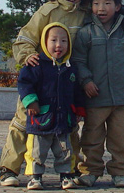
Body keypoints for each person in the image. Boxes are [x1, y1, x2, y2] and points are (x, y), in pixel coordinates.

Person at [0, 0, 93, 187]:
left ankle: (72, 170)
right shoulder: (47, 11)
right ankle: (8, 169)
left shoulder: (85, 14)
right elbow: (25, 37)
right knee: (23, 124)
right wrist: (27, 55)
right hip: (41, 79)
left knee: (69, 128)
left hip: (66, 80)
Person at [72, 0, 124, 188]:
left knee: (122, 139)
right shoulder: (86, 32)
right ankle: (89, 171)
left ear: (117, 6)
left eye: (106, 3)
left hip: (121, 99)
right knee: (91, 138)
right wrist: (86, 81)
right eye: (96, 3)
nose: (101, 8)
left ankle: (121, 173)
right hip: (95, 98)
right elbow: (78, 61)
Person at [17, 23, 85, 190]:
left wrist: (79, 110)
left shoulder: (70, 68)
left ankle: (66, 176)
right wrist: (31, 102)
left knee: (65, 151)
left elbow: (77, 92)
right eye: (53, 40)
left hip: (64, 120)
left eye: (63, 41)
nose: (58, 45)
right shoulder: (36, 64)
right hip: (41, 118)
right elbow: (24, 83)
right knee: (36, 151)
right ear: (44, 42)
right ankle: (34, 177)